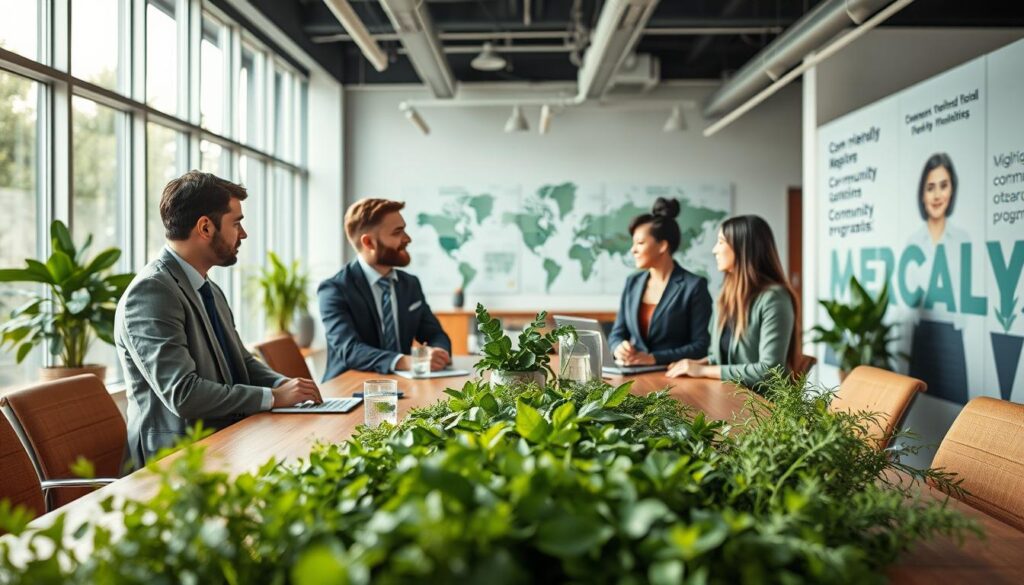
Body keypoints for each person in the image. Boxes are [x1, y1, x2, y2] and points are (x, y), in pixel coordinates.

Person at [115, 171, 322, 467]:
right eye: (236, 222)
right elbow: (184, 394)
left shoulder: (208, 288)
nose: (244, 233)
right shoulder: (151, 292)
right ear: (205, 227)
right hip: (175, 463)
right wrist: (274, 397)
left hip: (226, 442)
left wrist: (290, 388)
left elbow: (243, 363)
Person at [318, 198, 451, 380]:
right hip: (350, 387)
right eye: (397, 232)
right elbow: (349, 350)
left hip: (402, 384)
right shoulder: (335, 289)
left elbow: (434, 333)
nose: (407, 238)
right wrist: (406, 361)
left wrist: (438, 352)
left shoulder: (410, 284)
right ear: (369, 243)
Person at [666, 215, 798, 389]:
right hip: (730, 396)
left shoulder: (774, 298)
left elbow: (769, 370)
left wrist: (703, 371)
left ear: (743, 248)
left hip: (763, 407)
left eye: (721, 242)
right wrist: (694, 365)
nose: (715, 250)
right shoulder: (726, 295)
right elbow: (719, 356)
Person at [608, 197, 712, 366]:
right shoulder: (632, 282)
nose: (633, 250)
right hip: (633, 371)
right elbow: (617, 334)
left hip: (674, 376)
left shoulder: (694, 286)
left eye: (640, 243)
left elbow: (701, 346)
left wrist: (654, 358)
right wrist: (618, 347)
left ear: (663, 246)